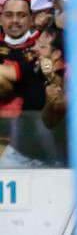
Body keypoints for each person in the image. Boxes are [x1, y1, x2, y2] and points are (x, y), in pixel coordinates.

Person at [0, 27, 66, 168]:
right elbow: (4, 73)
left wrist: (51, 76)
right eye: (36, 43)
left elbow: (59, 93)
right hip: (19, 155)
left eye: (42, 46)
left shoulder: (67, 74)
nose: (35, 48)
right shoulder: (31, 65)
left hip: (53, 159)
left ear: (56, 54)